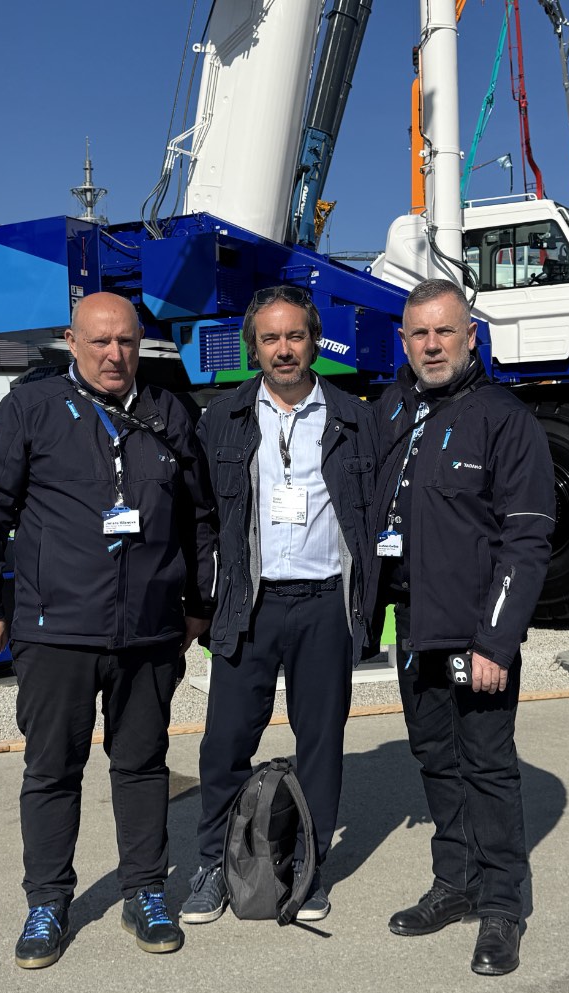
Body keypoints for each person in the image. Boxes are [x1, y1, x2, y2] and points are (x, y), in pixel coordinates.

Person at [0, 291, 216, 970]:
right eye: (100, 342)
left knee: (141, 767)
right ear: (72, 342)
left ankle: (145, 892)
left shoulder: (168, 414)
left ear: (140, 345)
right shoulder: (33, 408)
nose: (114, 355)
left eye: (126, 342)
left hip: (149, 633)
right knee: (51, 772)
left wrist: (199, 602)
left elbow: (199, 519)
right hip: (57, 630)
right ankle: (47, 901)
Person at [180, 285, 379, 926]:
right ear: (253, 347)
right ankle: (214, 863)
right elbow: (203, 516)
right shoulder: (223, 419)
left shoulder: (353, 417)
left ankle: (308, 869)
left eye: (294, 336)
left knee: (321, 742)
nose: (284, 349)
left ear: (313, 340)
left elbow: (375, 516)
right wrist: (205, 598)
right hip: (252, 602)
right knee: (224, 743)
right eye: (271, 338)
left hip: (324, 603)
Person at [373, 279, 554, 977]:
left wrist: (495, 641)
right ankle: (456, 884)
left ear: (470, 336)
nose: (432, 345)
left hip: (473, 635)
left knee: (486, 764)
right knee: (435, 757)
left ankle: (503, 906)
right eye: (419, 334)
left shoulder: (504, 420)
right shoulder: (391, 411)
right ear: (404, 341)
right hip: (414, 628)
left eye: (444, 332)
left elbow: (526, 540)